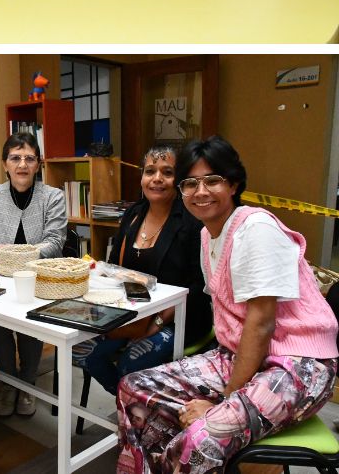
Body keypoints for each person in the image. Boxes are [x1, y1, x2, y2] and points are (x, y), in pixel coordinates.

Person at [117, 135, 339, 474]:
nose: (200, 191)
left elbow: (262, 323)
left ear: (233, 184)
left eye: (213, 180)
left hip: (298, 364)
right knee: (134, 386)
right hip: (239, 355)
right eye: (190, 183)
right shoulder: (208, 235)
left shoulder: (256, 228)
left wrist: (220, 401)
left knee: (205, 435)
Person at [82, 144, 212, 395]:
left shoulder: (192, 222)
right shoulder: (132, 214)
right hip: (133, 312)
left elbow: (199, 286)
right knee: (86, 352)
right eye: (150, 171)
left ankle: (140, 414)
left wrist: (159, 319)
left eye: (167, 172)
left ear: (179, 179)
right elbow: (115, 269)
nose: (157, 179)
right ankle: (133, 407)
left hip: (180, 318)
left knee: (132, 363)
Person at [0, 131, 68, 417]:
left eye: (29, 158)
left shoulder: (53, 197)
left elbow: (55, 241)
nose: (22, 164)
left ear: (39, 164)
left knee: (30, 327)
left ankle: (28, 382)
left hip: (39, 280)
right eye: (15, 158)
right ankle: (8, 382)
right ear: (5, 164)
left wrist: (18, 254)